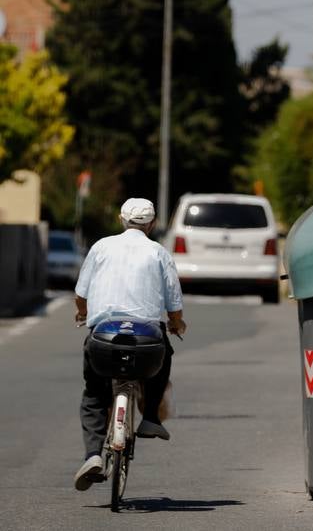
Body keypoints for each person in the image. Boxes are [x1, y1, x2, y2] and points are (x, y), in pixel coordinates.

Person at [73, 197, 186, 492]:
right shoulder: (159, 252)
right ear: (152, 224)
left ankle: (93, 454)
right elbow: (174, 302)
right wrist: (176, 323)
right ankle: (149, 418)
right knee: (165, 355)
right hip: (147, 340)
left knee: (95, 394)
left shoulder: (100, 247)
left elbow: (81, 293)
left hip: (104, 338)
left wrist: (84, 314)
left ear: (121, 219)